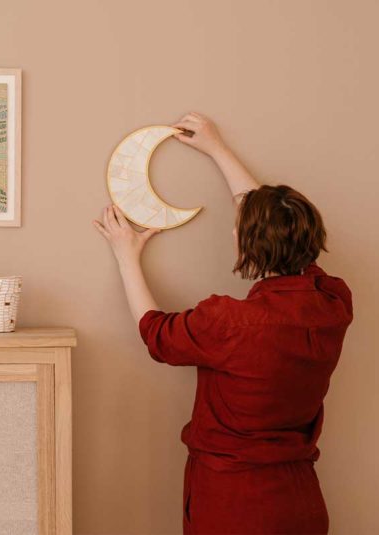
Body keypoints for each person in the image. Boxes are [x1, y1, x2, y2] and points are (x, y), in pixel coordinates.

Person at [93, 112, 353, 534]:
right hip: (301, 501)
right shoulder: (332, 301)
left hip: (234, 505)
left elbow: (156, 334)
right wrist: (217, 148)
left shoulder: (230, 322)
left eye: (237, 227)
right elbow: (272, 223)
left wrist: (127, 256)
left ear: (245, 242)